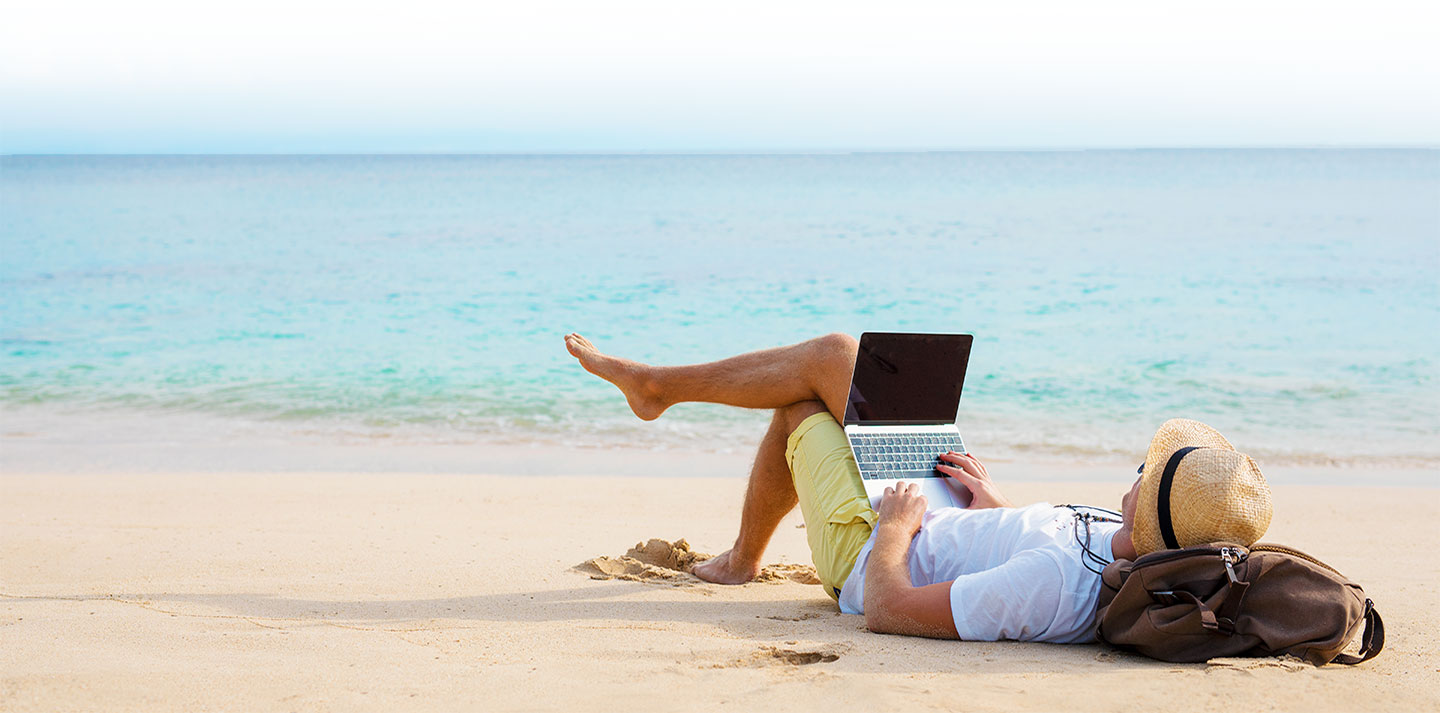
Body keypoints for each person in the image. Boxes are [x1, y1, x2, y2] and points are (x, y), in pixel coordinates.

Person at [564, 332, 1273, 642]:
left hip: (869, 551)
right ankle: (666, 404)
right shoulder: (1110, 542)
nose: (1137, 469)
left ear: (1147, 502)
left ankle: (657, 390)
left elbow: (889, 610)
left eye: (1146, 473)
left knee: (808, 395)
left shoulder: (1050, 584)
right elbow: (1041, 538)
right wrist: (995, 505)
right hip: (939, 514)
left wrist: (899, 529)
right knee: (836, 367)